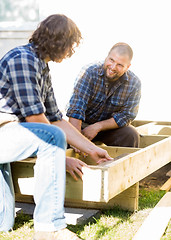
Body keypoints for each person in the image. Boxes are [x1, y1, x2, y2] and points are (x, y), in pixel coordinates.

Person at [0, 14, 112, 240]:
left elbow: (56, 119)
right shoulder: (22, 59)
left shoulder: (42, 67)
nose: (72, 51)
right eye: (71, 45)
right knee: (52, 137)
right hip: (4, 133)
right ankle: (49, 228)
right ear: (59, 41)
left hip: (11, 137)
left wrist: (91, 149)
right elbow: (37, 121)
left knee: (4, 223)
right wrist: (60, 155)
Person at [67, 42, 141, 149]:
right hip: (82, 125)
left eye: (120, 65)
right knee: (62, 140)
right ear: (107, 57)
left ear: (127, 67)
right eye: (111, 60)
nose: (113, 67)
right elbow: (76, 109)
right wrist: (77, 141)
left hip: (107, 128)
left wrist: (98, 126)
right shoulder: (89, 72)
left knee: (131, 134)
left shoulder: (134, 83)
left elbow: (127, 115)